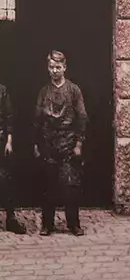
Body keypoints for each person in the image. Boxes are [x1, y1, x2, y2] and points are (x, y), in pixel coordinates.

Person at [33, 50, 87, 237]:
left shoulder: (73, 90)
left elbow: (82, 118)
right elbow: (37, 120)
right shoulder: (43, 91)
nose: (54, 71)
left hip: (68, 143)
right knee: (48, 186)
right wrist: (36, 144)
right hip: (48, 144)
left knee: (71, 187)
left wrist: (78, 144)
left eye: (58, 67)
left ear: (64, 67)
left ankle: (74, 224)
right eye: (51, 67)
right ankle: (47, 224)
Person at [0, 79, 21, 233]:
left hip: (0, 140)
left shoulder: (2, 90)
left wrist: (9, 141)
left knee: (6, 179)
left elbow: (9, 116)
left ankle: (10, 218)